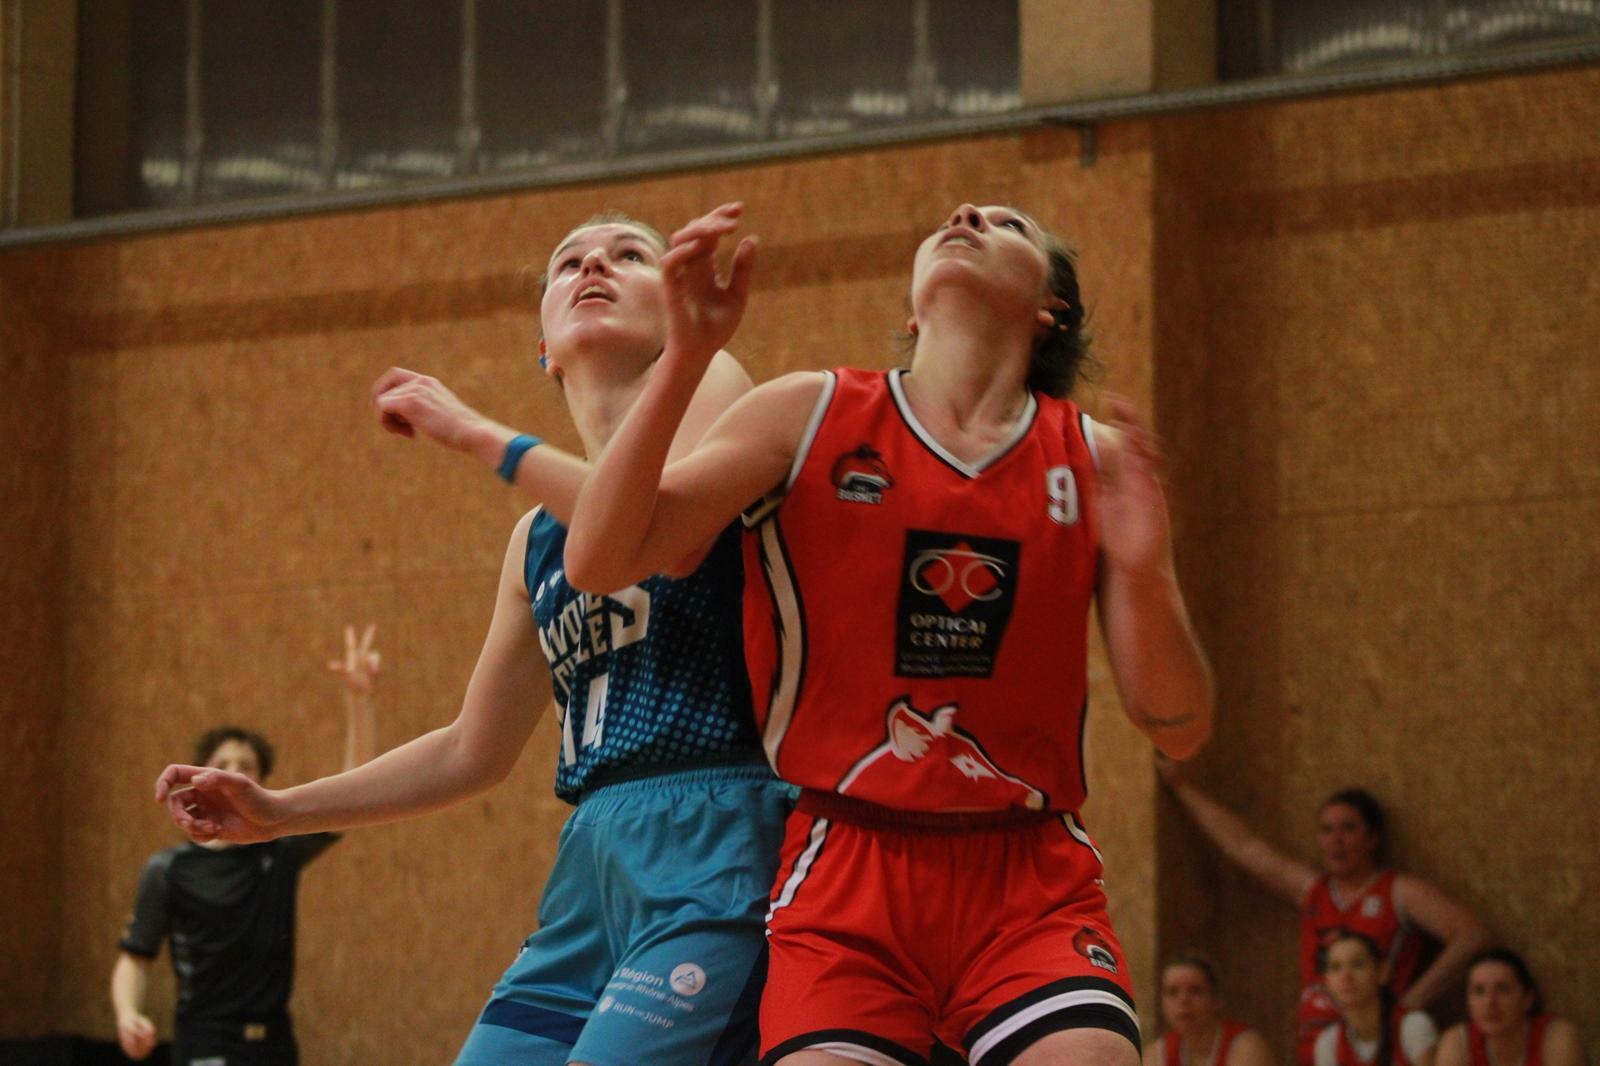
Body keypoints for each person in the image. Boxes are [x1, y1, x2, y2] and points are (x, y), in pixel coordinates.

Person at [564, 202, 1216, 1066]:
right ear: (911, 311)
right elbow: (600, 561)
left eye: (1009, 224)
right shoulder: (807, 414)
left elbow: (1179, 725)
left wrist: (1145, 573)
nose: (969, 214)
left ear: (1049, 309)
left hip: (1027, 876)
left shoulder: (1092, 460)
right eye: (955, 217)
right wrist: (686, 355)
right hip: (846, 868)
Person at [156, 210, 791, 1066]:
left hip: (719, 836)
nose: (593, 264)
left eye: (628, 254)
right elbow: (470, 750)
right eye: (568, 261)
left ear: (675, 308)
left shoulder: (714, 382)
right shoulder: (535, 541)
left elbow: (654, 538)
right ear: (544, 348)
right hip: (593, 862)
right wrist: (279, 812)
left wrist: (476, 433)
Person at [111, 623, 381, 1066]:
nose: (234, 773)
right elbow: (135, 957)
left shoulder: (279, 850)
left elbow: (356, 795)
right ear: (199, 779)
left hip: (273, 1045)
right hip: (205, 1044)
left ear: (260, 783)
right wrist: (127, 1014)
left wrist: (359, 700)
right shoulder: (169, 869)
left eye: (246, 767)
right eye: (222, 764)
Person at [1157, 762, 1490, 1065]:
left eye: (1348, 829)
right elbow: (1245, 847)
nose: (1336, 840)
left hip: (1381, 1043)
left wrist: (1410, 1001)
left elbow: (1472, 935)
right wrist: (1182, 786)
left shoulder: (1398, 891)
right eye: (1327, 830)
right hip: (1319, 1043)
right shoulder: (1314, 890)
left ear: (1372, 838)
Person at [1433, 949, 1587, 1066]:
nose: (1490, 1002)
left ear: (1527, 999)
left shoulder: (1555, 1037)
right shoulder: (1459, 1042)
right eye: (1479, 991)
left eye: (1503, 990)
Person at [1313, 931, 1437, 1066]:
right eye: (1335, 968)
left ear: (1382, 972)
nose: (1345, 976)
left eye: (1357, 964)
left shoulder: (1413, 1026)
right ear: (1326, 983)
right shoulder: (1329, 1043)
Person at [1146, 955, 1275, 1066]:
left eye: (1195, 991)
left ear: (1217, 999)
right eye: (1172, 992)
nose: (1183, 1001)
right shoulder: (1157, 1054)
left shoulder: (1246, 1048)